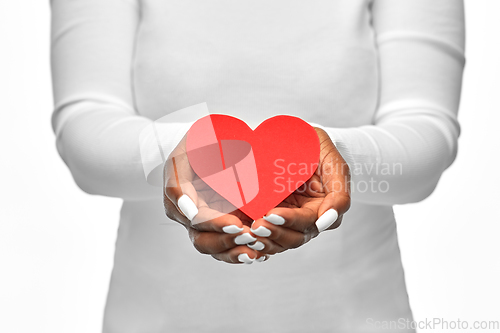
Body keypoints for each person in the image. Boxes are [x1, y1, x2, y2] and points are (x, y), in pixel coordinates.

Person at [50, 0, 465, 332]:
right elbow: (85, 126)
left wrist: (332, 156)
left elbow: (427, 132)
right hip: (153, 319)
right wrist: (183, 153)